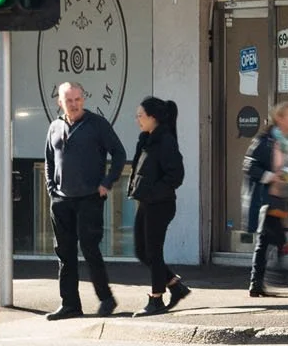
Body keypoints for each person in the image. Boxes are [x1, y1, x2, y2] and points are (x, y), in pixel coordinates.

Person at [43, 82, 129, 320]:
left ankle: (106, 298)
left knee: (90, 249)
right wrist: (51, 187)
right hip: (61, 200)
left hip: (89, 198)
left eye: (78, 99)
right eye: (68, 100)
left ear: (84, 99)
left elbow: (119, 153)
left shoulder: (97, 125)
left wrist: (107, 182)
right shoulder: (55, 127)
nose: (74, 104)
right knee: (64, 253)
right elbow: (49, 159)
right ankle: (70, 305)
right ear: (60, 102)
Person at [127, 96, 189, 317]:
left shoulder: (165, 141)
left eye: (140, 116)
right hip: (147, 202)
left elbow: (176, 176)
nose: (137, 120)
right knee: (142, 251)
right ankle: (175, 285)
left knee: (153, 251)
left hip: (160, 204)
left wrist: (154, 193)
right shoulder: (147, 139)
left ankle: (156, 299)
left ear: (153, 117)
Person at [244, 102, 288, 298]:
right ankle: (267, 279)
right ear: (279, 119)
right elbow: (250, 167)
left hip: (284, 198)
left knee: (273, 239)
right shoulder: (266, 141)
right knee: (270, 239)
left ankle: (260, 281)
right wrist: (272, 176)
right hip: (267, 199)